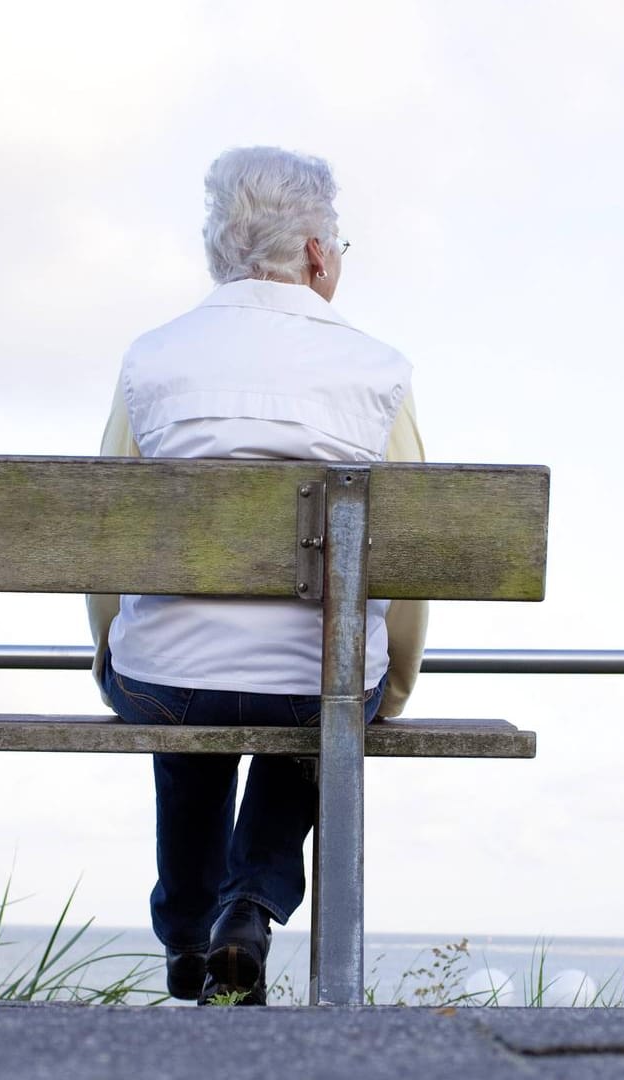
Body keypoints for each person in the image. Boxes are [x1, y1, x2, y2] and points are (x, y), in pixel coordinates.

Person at [86, 146, 428, 1005]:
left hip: (168, 682)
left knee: (177, 670)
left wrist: (108, 654)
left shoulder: (152, 360)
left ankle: (190, 930)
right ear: (316, 253)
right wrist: (399, 681)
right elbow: (418, 556)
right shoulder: (379, 371)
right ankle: (248, 906)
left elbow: (98, 535)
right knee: (330, 687)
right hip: (314, 685)